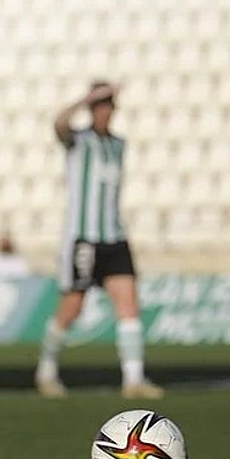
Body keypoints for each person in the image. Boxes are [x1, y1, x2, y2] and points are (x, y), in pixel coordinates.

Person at [34, 81, 164, 400]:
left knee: (129, 304)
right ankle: (46, 370)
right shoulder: (79, 141)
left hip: (114, 236)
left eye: (109, 104)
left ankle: (133, 379)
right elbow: (59, 124)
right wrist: (84, 99)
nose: (105, 110)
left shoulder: (118, 144)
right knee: (72, 307)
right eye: (100, 104)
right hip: (84, 238)